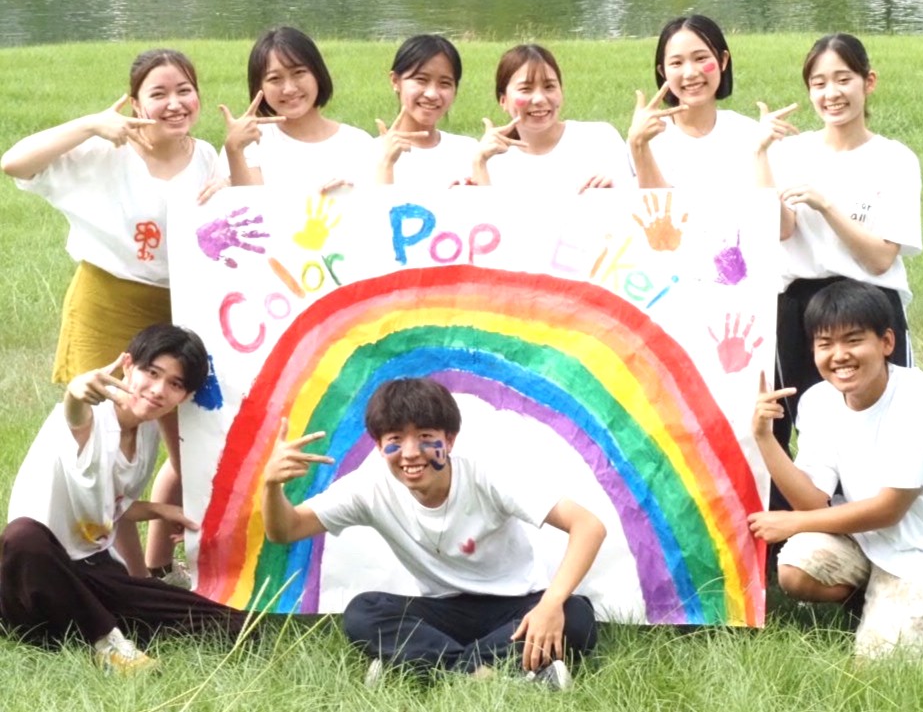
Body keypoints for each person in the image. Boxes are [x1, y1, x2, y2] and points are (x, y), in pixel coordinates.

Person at [0, 48, 221, 584]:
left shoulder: (206, 156)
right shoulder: (105, 151)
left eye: (184, 90)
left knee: (187, 444)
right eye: (158, 94)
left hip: (182, 310)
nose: (175, 103)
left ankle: (168, 563)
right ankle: (128, 577)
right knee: (108, 442)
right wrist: (90, 125)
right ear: (136, 103)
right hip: (109, 301)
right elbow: (14, 163)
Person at [262, 377, 606, 688]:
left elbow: (588, 526)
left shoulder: (488, 474)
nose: (411, 453)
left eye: (426, 438)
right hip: (443, 613)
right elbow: (286, 529)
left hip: (515, 607)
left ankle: (416, 665)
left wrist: (550, 605)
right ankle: (495, 674)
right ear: (380, 446)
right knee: (362, 612)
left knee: (576, 616)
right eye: (395, 440)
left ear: (450, 440)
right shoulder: (369, 487)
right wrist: (271, 486)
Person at [0, 324, 247, 674]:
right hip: (32, 575)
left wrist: (162, 512)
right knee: (23, 535)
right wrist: (75, 392)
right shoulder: (89, 417)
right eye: (152, 373)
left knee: (232, 624)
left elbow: (111, 504)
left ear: (185, 396)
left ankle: (78, 625)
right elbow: (76, 415)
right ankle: (108, 644)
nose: (158, 390)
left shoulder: (146, 431)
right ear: (128, 365)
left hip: (94, 571)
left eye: (175, 384)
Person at [748, 280, 923, 659]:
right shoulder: (819, 400)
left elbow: (889, 510)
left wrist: (792, 524)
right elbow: (812, 501)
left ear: (887, 342)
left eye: (853, 340)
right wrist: (764, 438)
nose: (839, 355)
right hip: (865, 540)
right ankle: (867, 598)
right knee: (795, 567)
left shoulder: (922, 400)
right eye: (825, 344)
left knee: (877, 669)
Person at [756, 33, 921, 453]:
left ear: (869, 81)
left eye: (843, 79)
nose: (831, 93)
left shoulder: (895, 159)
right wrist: (760, 155)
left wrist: (827, 205)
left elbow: (880, 259)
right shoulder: (789, 152)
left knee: (885, 429)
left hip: (870, 302)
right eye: (819, 83)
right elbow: (780, 229)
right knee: (806, 431)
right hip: (799, 309)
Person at [220, 26, 374, 194]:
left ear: (318, 73)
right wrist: (234, 150)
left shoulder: (358, 142)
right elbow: (249, 205)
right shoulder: (249, 144)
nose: (289, 89)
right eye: (275, 78)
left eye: (299, 73)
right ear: (259, 87)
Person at [472, 43, 632, 192]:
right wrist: (479, 163)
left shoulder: (600, 139)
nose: (539, 99)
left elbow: (634, 205)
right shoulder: (492, 159)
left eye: (549, 87)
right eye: (526, 89)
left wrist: (611, 195)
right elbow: (485, 213)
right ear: (503, 100)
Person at [628, 14, 762, 188]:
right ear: (663, 72)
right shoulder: (649, 138)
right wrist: (639, 145)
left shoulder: (749, 133)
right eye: (676, 63)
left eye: (700, 58)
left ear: (722, 60)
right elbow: (656, 203)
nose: (690, 73)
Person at [374, 34, 477, 187]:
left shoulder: (469, 151)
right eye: (421, 80)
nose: (432, 94)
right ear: (395, 81)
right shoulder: (368, 153)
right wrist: (386, 164)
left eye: (445, 83)